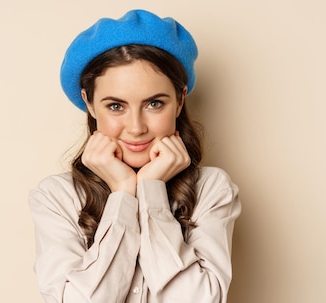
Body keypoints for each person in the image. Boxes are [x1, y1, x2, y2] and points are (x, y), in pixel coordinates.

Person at [28, 9, 241, 303]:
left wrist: (151, 191)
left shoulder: (212, 190)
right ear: (88, 104)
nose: (137, 127)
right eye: (116, 106)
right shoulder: (56, 197)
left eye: (154, 103)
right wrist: (123, 194)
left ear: (180, 101)